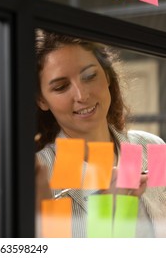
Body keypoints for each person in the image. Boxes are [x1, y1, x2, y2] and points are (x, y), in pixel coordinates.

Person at [35, 28, 166, 237]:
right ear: (42, 100)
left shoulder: (152, 148)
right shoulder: (41, 174)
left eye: (89, 76)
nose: (82, 95)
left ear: (106, 75)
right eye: (61, 87)